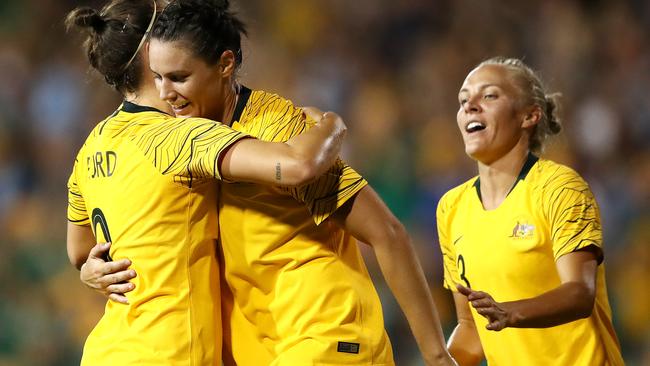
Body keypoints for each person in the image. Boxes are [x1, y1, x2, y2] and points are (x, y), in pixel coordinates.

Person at [85, 0, 456, 365]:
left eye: (180, 77)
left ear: (225, 65)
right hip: (272, 350)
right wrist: (93, 267)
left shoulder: (279, 129)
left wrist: (437, 355)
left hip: (327, 340)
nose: (166, 93)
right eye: (159, 77)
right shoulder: (186, 147)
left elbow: (388, 233)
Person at [65, 0, 348, 364]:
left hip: (109, 350)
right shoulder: (182, 137)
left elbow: (78, 252)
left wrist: (93, 271)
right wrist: (329, 123)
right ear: (153, 51)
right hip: (168, 353)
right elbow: (297, 166)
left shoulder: (91, 147)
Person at [436, 57, 624, 365]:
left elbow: (579, 293)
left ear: (529, 116)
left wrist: (509, 312)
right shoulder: (451, 208)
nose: (470, 105)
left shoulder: (560, 188)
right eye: (463, 99)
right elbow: (471, 329)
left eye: (489, 95)